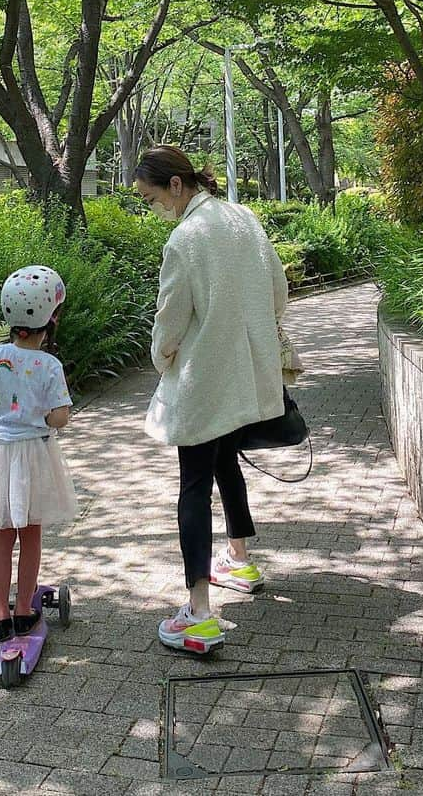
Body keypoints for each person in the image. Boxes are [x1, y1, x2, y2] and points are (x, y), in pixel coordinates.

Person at [135, 145, 289, 652]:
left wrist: (161, 359)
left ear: (175, 186)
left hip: (205, 378)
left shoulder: (186, 238)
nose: (153, 206)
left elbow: (171, 317)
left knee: (195, 483)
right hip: (247, 373)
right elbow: (278, 291)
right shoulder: (244, 217)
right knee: (227, 463)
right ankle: (238, 560)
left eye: (151, 196)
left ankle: (200, 613)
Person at [0, 265, 79, 642]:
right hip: (34, 459)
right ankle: (24, 607)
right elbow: (60, 418)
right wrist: (40, 413)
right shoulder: (49, 365)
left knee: (2, 534)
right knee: (31, 534)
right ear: (52, 318)